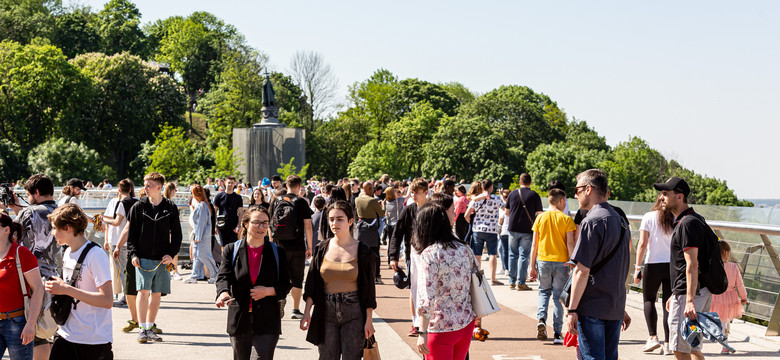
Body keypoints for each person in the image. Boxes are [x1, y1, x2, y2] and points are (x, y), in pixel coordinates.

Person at [566, 169, 631, 360]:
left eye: (577, 190)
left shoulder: (591, 221)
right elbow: (621, 266)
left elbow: (581, 271)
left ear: (588, 189)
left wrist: (572, 310)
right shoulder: (621, 221)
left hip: (592, 304)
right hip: (614, 305)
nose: (575, 195)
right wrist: (621, 306)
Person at [299, 200, 377, 360]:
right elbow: (312, 284)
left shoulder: (363, 251)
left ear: (350, 221)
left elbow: (369, 291)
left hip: (354, 312)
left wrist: (369, 320)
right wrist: (307, 312)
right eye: (331, 219)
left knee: (352, 357)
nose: (335, 223)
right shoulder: (321, 249)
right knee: (326, 357)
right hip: (325, 310)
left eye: (340, 219)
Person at [655, 177, 719, 360]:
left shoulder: (687, 223)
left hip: (690, 294)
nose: (661, 197)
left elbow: (692, 264)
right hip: (694, 291)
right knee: (692, 346)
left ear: (680, 197)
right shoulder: (694, 219)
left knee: (680, 348)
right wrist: (675, 292)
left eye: (666, 194)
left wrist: (688, 299)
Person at [215, 206, 291, 360]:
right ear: (246, 224)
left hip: (268, 319)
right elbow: (223, 277)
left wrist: (268, 291)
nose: (261, 227)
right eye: (256, 222)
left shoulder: (278, 252)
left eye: (265, 223)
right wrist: (223, 292)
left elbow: (286, 284)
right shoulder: (231, 250)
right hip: (239, 319)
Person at [45, 204, 114, 359]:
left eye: (55, 228)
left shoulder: (96, 255)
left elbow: (107, 300)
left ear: (68, 228)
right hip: (65, 334)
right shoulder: (67, 252)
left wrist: (66, 289)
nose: (52, 233)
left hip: (93, 341)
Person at [3, 174, 58, 360]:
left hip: (30, 278)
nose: (27, 198)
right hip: (55, 276)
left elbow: (9, 237)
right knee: (46, 332)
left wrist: (7, 211)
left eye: (28, 194)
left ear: (36, 192)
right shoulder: (62, 210)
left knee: (34, 335)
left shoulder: (28, 213)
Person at [414, 202, 476, 359]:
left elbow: (426, 297)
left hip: (440, 327)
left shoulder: (430, 253)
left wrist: (422, 331)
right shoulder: (464, 248)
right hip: (465, 322)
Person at [126, 172, 182, 343]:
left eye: (149, 185)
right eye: (145, 184)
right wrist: (133, 254)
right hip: (143, 257)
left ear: (159, 187)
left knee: (156, 294)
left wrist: (171, 255)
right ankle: (141, 328)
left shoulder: (170, 207)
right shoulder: (138, 207)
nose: (145, 188)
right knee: (143, 292)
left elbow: (178, 235)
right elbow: (132, 235)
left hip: (163, 260)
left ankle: (150, 327)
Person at [528, 188, 576, 345]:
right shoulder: (566, 219)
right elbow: (570, 243)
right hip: (562, 262)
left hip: (543, 260)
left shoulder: (540, 218)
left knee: (543, 292)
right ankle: (557, 332)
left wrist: (531, 266)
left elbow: (534, 244)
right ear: (562, 201)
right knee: (557, 297)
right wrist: (572, 264)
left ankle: (541, 319)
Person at [0, 211, 44, 360]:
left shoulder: (21, 253)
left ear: (6, 230)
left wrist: (31, 324)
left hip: (17, 323)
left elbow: (38, 289)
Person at [634, 195, 675, 355]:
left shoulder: (648, 217)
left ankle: (652, 337)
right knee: (668, 304)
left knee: (649, 300)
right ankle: (668, 343)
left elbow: (643, 243)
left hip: (653, 264)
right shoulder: (675, 217)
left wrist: (638, 267)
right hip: (672, 265)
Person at [270, 175, 313, 320]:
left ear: (285, 185)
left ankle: (280, 299)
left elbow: (271, 225)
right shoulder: (301, 202)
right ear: (299, 186)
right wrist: (310, 247)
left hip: (279, 245)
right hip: (297, 246)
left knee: (280, 276)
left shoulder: (276, 201)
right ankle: (295, 309)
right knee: (297, 278)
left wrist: (271, 242)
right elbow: (308, 226)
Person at [388, 178, 428, 337]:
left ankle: (429, 321)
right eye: (412, 192)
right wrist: (393, 256)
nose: (414, 195)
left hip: (431, 256)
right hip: (413, 254)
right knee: (414, 287)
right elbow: (396, 234)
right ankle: (415, 322)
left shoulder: (433, 209)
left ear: (426, 192)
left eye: (417, 193)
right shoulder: (408, 210)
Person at [505, 173, 543, 291]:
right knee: (523, 255)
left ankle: (511, 282)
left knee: (512, 254)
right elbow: (540, 214)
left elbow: (507, 212)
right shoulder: (534, 195)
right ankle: (521, 283)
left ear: (520, 182)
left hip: (512, 229)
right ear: (530, 182)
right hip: (527, 229)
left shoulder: (512, 194)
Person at [101, 179, 135, 307]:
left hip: (117, 241)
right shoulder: (137, 202)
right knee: (130, 270)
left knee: (122, 271)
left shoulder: (120, 203)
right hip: (132, 241)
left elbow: (115, 222)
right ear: (131, 189)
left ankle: (127, 297)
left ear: (119, 190)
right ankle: (131, 295)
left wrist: (103, 219)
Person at [464, 179, 504, 286]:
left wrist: (473, 225)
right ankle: (493, 278)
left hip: (478, 229)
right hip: (492, 230)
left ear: (482, 187)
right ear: (491, 187)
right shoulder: (497, 199)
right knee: (492, 254)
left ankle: (478, 276)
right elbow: (505, 209)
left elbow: (466, 215)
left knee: (477, 254)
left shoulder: (476, 199)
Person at [710, 241, 746, 354]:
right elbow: (739, 283)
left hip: (715, 296)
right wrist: (744, 297)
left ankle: (717, 337)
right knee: (725, 321)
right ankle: (724, 344)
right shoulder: (733, 266)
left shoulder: (713, 265)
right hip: (729, 297)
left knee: (716, 319)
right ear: (726, 252)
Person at [184, 185, 219, 285]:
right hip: (199, 235)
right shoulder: (203, 205)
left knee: (203, 255)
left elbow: (201, 223)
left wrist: (198, 237)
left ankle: (214, 274)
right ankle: (195, 275)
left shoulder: (202, 205)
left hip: (202, 236)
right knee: (197, 256)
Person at [355, 182, 385, 284]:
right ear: (369, 189)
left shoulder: (357, 199)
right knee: (375, 254)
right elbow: (381, 214)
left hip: (361, 228)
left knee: (361, 253)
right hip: (372, 229)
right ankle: (377, 276)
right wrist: (383, 206)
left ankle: (361, 275)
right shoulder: (372, 200)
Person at [215, 176, 245, 247]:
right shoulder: (219, 196)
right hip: (222, 224)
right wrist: (215, 226)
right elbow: (214, 211)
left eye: (232, 183)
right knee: (223, 246)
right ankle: (223, 258)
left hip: (234, 225)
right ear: (225, 183)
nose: (230, 184)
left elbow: (241, 213)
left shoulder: (238, 197)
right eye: (228, 182)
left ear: (235, 183)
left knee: (234, 246)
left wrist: (239, 225)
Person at [162, 182, 183, 280]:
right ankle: (174, 271)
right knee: (174, 252)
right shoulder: (170, 204)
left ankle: (170, 270)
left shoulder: (163, 201)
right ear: (172, 190)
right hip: (170, 231)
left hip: (165, 231)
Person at [497, 189, 511, 275]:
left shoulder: (507, 207)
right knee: (501, 249)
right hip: (506, 231)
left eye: (506, 197)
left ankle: (506, 268)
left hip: (505, 231)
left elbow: (500, 220)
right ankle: (504, 267)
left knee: (505, 250)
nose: (505, 198)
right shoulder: (505, 206)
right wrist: (501, 195)